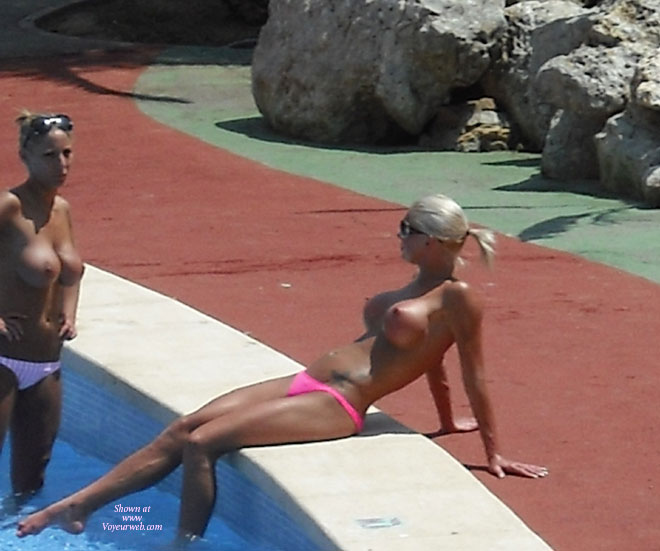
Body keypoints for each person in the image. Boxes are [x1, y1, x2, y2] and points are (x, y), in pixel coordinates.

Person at [17, 194, 547, 541]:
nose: (398, 236)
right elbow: (433, 363)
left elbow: (472, 370)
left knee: (203, 445)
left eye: (405, 229)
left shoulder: (458, 297)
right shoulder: (414, 289)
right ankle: (79, 505)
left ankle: (183, 544)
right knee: (184, 426)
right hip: (309, 378)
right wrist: (447, 420)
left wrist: (493, 452)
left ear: (429, 240)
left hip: (339, 403)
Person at [0, 112, 83, 496]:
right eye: (50, 156)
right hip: (4, 356)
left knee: (31, 484)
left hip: (47, 361)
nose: (61, 164)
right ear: (25, 156)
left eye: (67, 153)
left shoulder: (62, 209)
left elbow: (70, 272)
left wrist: (69, 311)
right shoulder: (9, 206)